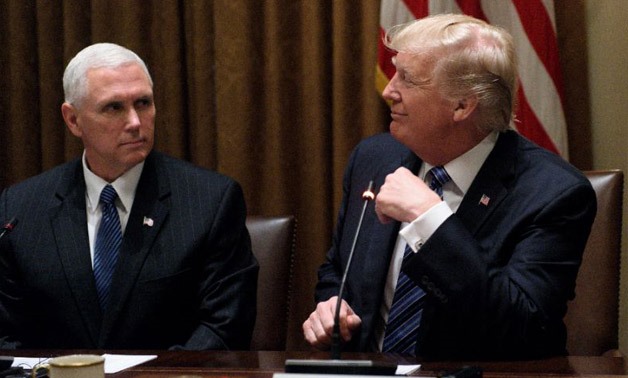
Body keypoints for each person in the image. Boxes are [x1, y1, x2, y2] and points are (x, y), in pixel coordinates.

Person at [303, 14, 596, 360]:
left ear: (462, 105)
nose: (388, 90)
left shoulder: (554, 193)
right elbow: (338, 268)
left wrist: (430, 219)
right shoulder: (374, 158)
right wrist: (331, 306)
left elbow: (522, 327)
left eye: (407, 80)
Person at [0, 43, 258, 350]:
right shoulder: (20, 209)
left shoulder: (210, 201)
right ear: (73, 120)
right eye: (114, 107)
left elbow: (225, 328)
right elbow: (6, 334)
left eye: (143, 103)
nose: (135, 122)